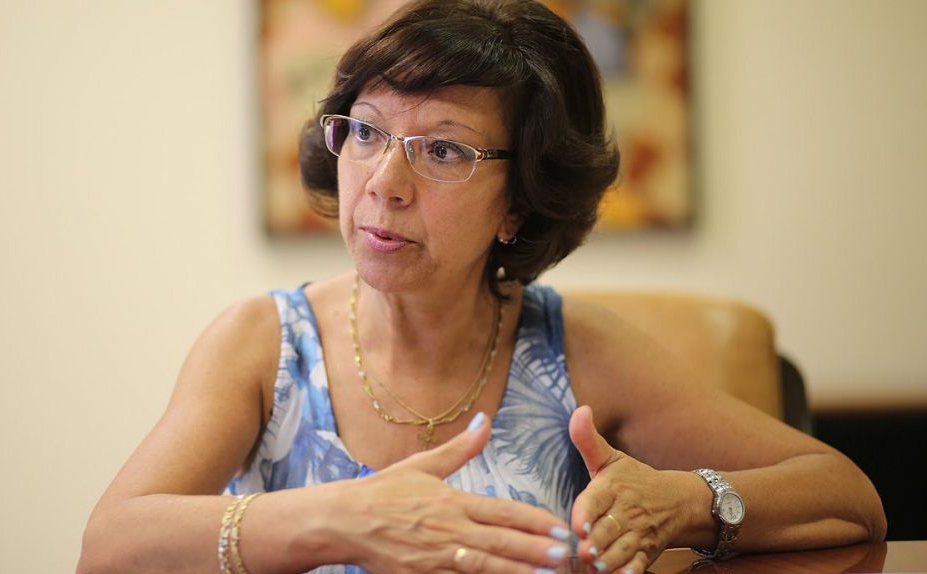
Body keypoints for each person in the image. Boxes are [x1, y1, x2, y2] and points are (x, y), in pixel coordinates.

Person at [77, 1, 886, 573]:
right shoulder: (264, 344)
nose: (384, 182)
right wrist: (335, 518)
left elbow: (848, 497)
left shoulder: (574, 348)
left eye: (443, 151)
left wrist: (686, 504)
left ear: (518, 203)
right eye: (367, 131)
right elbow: (109, 547)